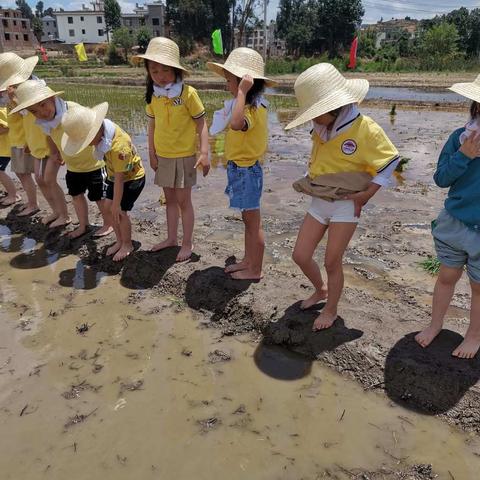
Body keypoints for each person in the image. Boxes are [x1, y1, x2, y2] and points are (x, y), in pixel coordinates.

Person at [285, 63, 400, 331]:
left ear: (331, 108)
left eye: (315, 115)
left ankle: (331, 309)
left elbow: (390, 159)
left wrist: (367, 195)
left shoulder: (365, 129)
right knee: (300, 255)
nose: (312, 120)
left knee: (331, 260)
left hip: (347, 206)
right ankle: (321, 289)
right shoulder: (320, 130)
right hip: (320, 201)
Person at [415, 74, 480, 359]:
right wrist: (464, 154)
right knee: (446, 276)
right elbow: (441, 178)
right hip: (454, 224)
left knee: (479, 288)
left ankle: (474, 335)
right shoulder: (459, 138)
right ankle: (435, 324)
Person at [133, 37, 209, 262]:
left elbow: (201, 123)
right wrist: (151, 152)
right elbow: (152, 125)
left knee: (184, 201)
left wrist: (204, 152)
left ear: (176, 70)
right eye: (154, 71)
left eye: (165, 70)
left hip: (184, 156)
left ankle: (187, 243)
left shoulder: (188, 94)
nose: (160, 76)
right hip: (163, 156)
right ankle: (171, 239)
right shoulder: (153, 96)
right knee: (169, 200)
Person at [10, 80, 113, 239]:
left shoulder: (72, 110)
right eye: (34, 111)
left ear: (51, 98)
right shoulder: (45, 121)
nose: (42, 113)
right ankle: (83, 225)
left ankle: (108, 224)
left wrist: (106, 150)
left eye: (43, 105)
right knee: (76, 196)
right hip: (73, 166)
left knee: (99, 197)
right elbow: (50, 135)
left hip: (93, 163)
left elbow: (95, 126)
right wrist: (54, 153)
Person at [207, 47, 273, 280]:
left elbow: (235, 124)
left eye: (230, 80)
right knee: (248, 220)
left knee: (253, 223)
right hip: (241, 169)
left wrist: (242, 92)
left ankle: (256, 269)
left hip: (248, 171)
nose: (227, 85)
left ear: (246, 83)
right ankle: (248, 260)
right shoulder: (245, 104)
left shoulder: (252, 109)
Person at [61, 102, 145, 261]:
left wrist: (116, 203)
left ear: (94, 132)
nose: (87, 146)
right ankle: (119, 240)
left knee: (119, 210)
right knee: (108, 206)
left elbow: (121, 180)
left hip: (132, 178)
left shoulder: (118, 147)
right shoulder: (103, 133)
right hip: (115, 176)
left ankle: (127, 244)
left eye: (86, 141)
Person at [0, 53, 38, 216]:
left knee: (25, 174)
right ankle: (31, 202)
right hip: (17, 138)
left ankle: (33, 204)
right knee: (21, 173)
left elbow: (27, 112)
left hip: (24, 139)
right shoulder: (14, 91)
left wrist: (13, 99)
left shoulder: (27, 89)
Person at [0, 91, 19, 206]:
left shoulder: (1, 111)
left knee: (0, 172)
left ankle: (13, 195)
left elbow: (6, 128)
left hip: (4, 149)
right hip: (2, 148)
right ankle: (12, 193)